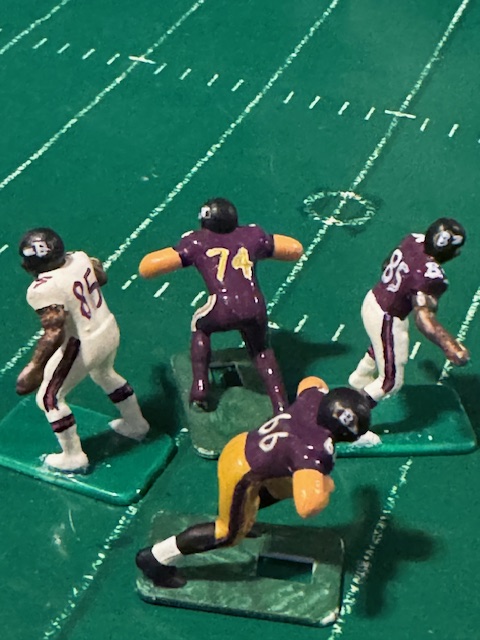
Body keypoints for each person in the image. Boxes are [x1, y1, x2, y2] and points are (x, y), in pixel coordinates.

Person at [135, 376, 372, 588]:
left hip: (244, 444)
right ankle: (155, 558)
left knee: (283, 487)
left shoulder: (314, 399)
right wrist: (323, 486)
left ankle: (242, 513)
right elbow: (308, 506)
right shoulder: (314, 449)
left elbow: (311, 382)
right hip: (242, 472)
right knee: (228, 533)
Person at [139, 198, 303, 413]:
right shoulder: (252, 235)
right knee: (262, 350)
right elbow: (294, 248)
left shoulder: (196, 241)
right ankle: (281, 405)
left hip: (222, 307)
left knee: (200, 326)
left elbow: (148, 266)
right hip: (255, 305)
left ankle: (200, 387)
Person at [16, 228, 149, 473]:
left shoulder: (42, 288)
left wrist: (34, 367)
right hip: (107, 327)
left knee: (49, 399)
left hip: (82, 342)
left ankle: (73, 456)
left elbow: (54, 331)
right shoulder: (80, 257)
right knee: (105, 374)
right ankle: (136, 423)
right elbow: (101, 277)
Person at [349, 217, 469, 405]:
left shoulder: (412, 240)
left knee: (382, 348)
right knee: (391, 383)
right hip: (387, 316)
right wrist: (450, 345)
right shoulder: (432, 276)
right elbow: (423, 318)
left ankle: (359, 378)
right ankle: (353, 410)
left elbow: (386, 264)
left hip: (372, 298)